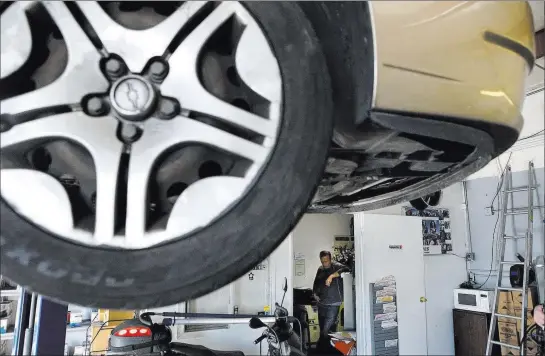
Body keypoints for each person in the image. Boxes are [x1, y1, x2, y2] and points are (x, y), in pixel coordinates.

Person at [312, 250, 350, 346]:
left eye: (326, 261)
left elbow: (347, 269)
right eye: (322, 261)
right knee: (323, 330)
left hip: (333, 303)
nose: (325, 263)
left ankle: (322, 349)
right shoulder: (320, 269)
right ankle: (327, 349)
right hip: (321, 303)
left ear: (330, 258)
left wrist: (332, 276)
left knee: (326, 330)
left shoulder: (336, 266)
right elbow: (316, 283)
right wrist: (315, 294)